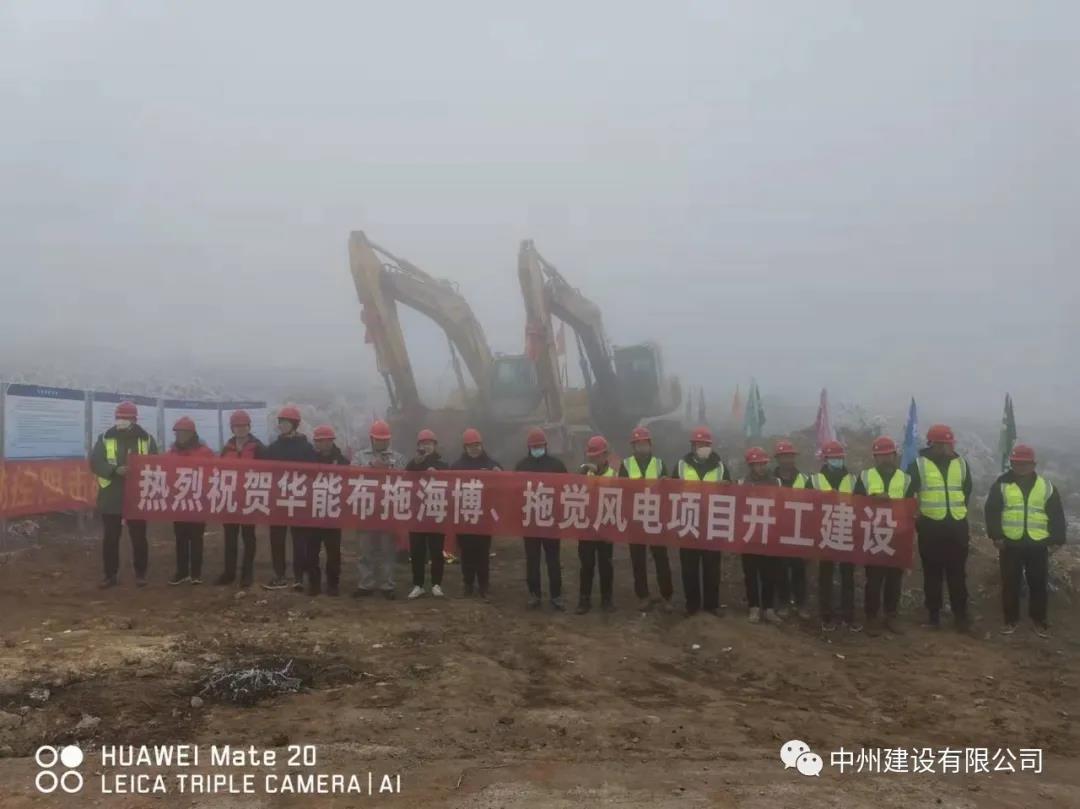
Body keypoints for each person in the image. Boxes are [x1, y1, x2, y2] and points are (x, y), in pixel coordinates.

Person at [984, 444, 1066, 638]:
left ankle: (1039, 620)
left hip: (1038, 543)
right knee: (1010, 583)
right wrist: (996, 536)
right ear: (1011, 464)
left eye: (1025, 463)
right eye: (1017, 463)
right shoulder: (1001, 485)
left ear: (1033, 464)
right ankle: (1010, 620)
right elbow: (992, 511)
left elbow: (1056, 514)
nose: (1021, 467)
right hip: (1010, 543)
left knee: (1038, 583)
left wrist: (1057, 539)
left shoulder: (1046, 486)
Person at [907, 424, 973, 631]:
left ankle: (961, 617)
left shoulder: (961, 464)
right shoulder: (918, 465)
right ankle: (933, 617)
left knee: (957, 574)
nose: (946, 447)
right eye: (942, 444)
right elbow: (908, 493)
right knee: (932, 574)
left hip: (957, 527)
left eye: (949, 443)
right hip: (931, 526)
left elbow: (966, 491)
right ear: (932, 444)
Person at [89, 400, 159, 588]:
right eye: (118, 417)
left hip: (137, 496)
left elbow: (155, 464)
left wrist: (139, 472)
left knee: (139, 537)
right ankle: (110, 575)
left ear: (134, 420)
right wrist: (114, 470)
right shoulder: (105, 438)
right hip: (112, 496)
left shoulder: (147, 440)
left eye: (125, 418)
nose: (121, 421)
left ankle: (141, 574)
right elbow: (95, 462)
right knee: (111, 538)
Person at [854, 436, 914, 635]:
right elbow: (855, 503)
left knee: (894, 578)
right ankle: (871, 617)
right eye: (881, 455)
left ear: (895, 456)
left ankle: (891, 615)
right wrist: (872, 499)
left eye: (888, 455)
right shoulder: (865, 477)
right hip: (874, 534)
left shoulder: (905, 479)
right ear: (875, 457)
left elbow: (911, 505)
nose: (885, 458)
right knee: (874, 579)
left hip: (898, 535)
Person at [672, 427, 731, 617]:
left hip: (712, 523)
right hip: (688, 521)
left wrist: (727, 486)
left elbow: (731, 494)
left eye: (705, 444)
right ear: (692, 446)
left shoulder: (720, 467)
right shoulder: (681, 465)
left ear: (710, 446)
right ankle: (692, 605)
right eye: (698, 444)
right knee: (689, 567)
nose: (701, 447)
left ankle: (711, 605)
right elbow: (671, 491)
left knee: (712, 567)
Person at [262, 406, 320, 591]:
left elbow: (314, 473)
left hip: (299, 499)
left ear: (294, 424)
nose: (282, 426)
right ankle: (279, 574)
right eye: (281, 422)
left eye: (286, 422)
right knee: (277, 539)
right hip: (278, 499)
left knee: (299, 540)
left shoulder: (306, 448)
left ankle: (298, 577)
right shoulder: (273, 448)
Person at [620, 426, 674, 612]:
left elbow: (668, 491)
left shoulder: (659, 464)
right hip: (635, 518)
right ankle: (643, 596)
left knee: (661, 558)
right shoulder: (626, 465)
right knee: (638, 559)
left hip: (655, 518)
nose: (642, 447)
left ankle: (667, 596)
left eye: (644, 443)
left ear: (650, 445)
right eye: (638, 444)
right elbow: (621, 490)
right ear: (633, 447)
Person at [515, 427, 568, 610]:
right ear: (529, 448)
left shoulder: (557, 465)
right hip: (530, 521)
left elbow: (566, 489)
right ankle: (534, 594)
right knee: (532, 559)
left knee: (553, 559)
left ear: (546, 446)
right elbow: (515, 492)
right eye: (534, 447)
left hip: (551, 520)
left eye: (540, 446)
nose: (537, 449)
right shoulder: (521, 467)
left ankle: (556, 595)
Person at [810, 440, 861, 632]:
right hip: (824, 532)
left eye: (839, 457)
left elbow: (862, 505)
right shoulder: (814, 480)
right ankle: (826, 616)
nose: (837, 460)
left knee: (848, 576)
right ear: (825, 459)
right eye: (833, 458)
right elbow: (805, 505)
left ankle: (848, 616)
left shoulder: (854, 480)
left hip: (847, 532)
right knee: (825, 576)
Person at [354, 419, 406, 599]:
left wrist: (389, 468)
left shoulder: (398, 457)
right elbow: (350, 475)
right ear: (371, 439)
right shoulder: (360, 457)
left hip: (387, 510)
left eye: (384, 440)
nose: (381, 443)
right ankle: (365, 584)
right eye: (378, 439)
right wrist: (370, 468)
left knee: (387, 550)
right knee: (365, 550)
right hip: (366, 509)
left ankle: (386, 585)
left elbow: (405, 478)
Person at [451, 427, 501, 599]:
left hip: (484, 517)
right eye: (470, 446)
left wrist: (499, 474)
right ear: (465, 447)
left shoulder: (491, 465)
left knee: (482, 553)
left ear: (482, 445)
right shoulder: (456, 467)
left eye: (477, 445)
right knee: (466, 552)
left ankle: (484, 585)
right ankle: (468, 584)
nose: (474, 449)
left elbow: (504, 484)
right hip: (464, 516)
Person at [217, 409, 265, 588]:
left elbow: (267, 471)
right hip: (230, 498)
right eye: (237, 426)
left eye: (244, 425)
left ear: (249, 427)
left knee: (248, 537)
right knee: (230, 537)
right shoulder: (227, 448)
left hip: (249, 498)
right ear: (232, 428)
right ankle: (229, 573)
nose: (241, 429)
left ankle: (247, 574)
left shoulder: (258, 448)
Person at [167, 417, 216, 585]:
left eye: (184, 432)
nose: (181, 436)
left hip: (198, 501)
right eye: (178, 433)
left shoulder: (205, 452)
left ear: (192, 434)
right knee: (180, 538)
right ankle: (182, 572)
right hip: (179, 501)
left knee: (196, 538)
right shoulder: (172, 452)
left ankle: (196, 573)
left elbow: (213, 473)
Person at [406, 429, 450, 600]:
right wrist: (416, 463)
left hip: (436, 512)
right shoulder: (413, 463)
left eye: (429, 443)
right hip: (417, 513)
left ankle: (436, 584)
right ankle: (418, 585)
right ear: (418, 446)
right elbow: (404, 478)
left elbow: (450, 482)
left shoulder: (443, 464)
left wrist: (437, 472)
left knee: (436, 551)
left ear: (434, 445)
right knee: (417, 551)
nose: (427, 446)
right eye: (423, 444)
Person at [575, 435, 617, 614]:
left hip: (606, 525)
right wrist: (584, 474)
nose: (594, 459)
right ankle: (584, 599)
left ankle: (607, 599)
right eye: (591, 456)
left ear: (605, 455)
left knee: (605, 565)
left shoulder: (614, 474)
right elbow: (574, 492)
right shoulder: (584, 473)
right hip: (587, 526)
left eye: (598, 456)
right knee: (586, 564)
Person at [740, 447, 781, 624]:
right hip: (749, 534)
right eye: (757, 464)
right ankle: (754, 607)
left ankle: (768, 608)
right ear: (750, 466)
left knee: (769, 573)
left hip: (769, 534)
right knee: (751, 573)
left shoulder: (776, 482)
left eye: (763, 464)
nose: (761, 467)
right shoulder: (742, 483)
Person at [309, 424, 348, 596]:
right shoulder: (309, 460)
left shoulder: (342, 461)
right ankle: (314, 583)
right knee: (311, 551)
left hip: (333, 512)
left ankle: (333, 583)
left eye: (323, 441)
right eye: (318, 441)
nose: (320, 444)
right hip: (313, 512)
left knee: (333, 552)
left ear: (331, 441)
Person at [773, 439, 810, 619]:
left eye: (790, 456)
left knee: (799, 570)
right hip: (777, 531)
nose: (787, 460)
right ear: (778, 459)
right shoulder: (771, 480)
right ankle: (784, 602)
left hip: (799, 532)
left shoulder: (805, 480)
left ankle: (801, 603)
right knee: (780, 570)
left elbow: (814, 506)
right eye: (784, 456)